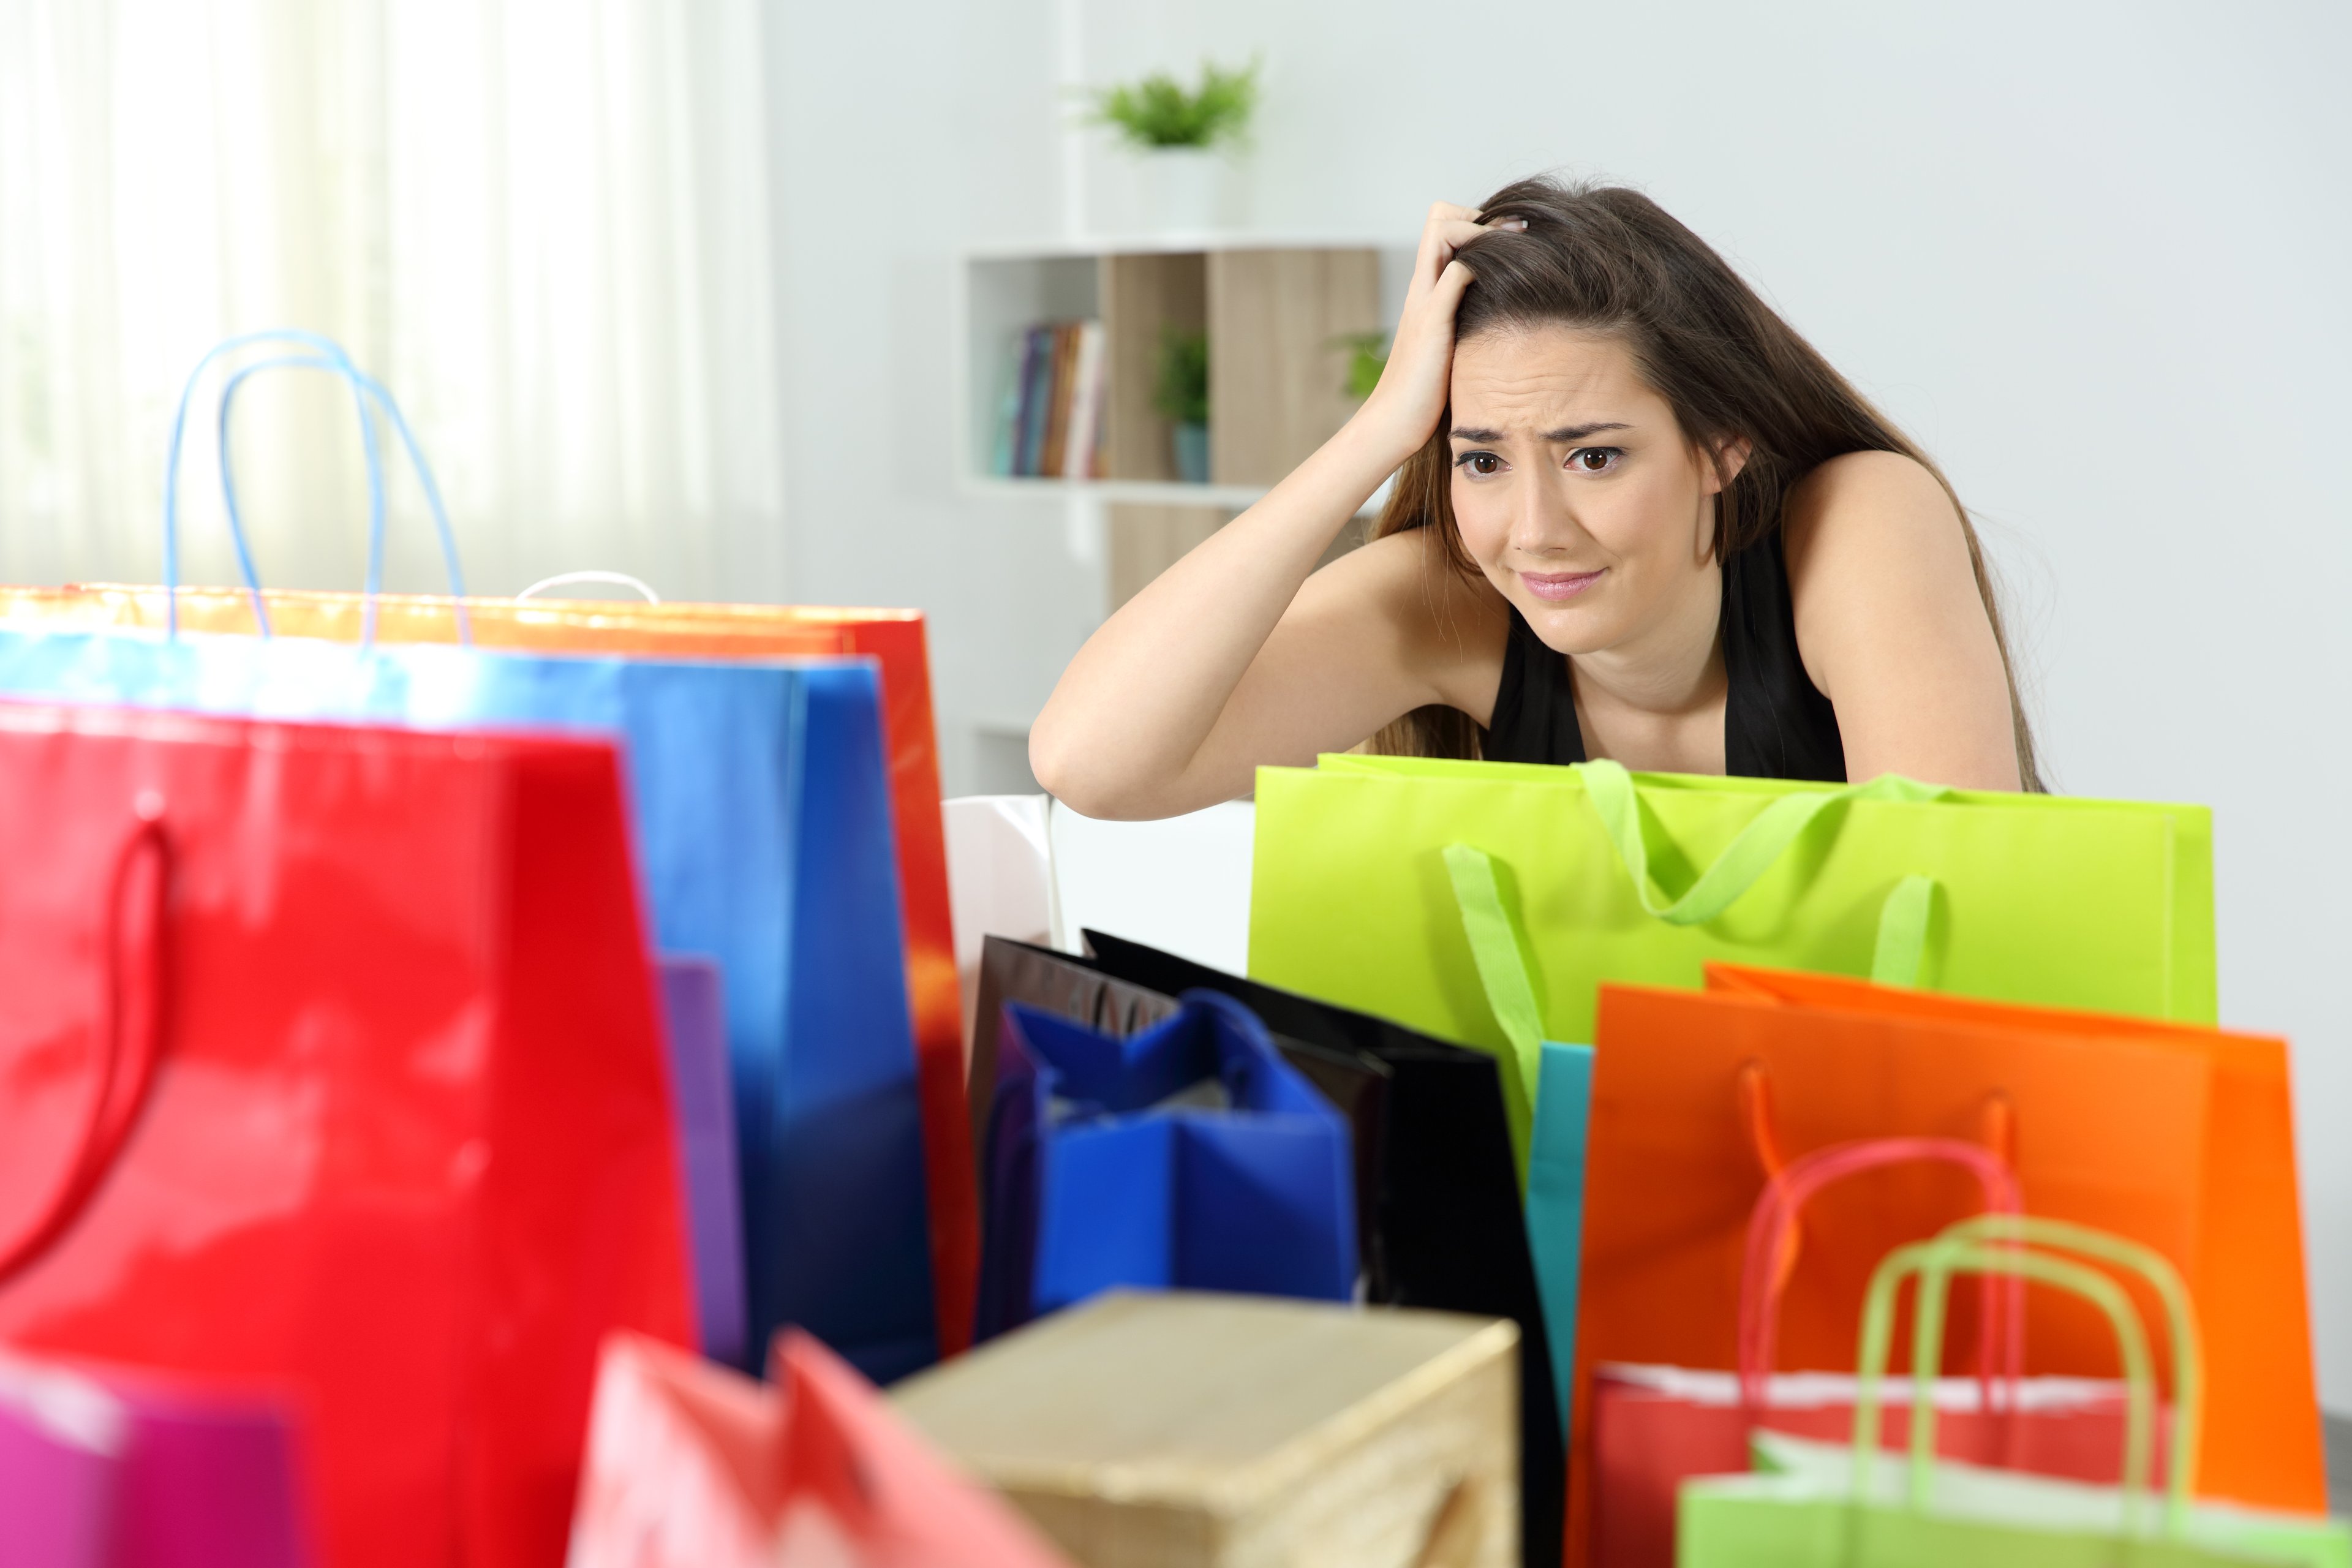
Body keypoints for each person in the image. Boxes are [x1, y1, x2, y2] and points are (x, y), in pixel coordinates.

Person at [1031, 176, 2037, 820]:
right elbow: (1092, 764)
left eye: (1593, 458)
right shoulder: (1454, 595)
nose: (1535, 534)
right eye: (1482, 461)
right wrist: (1379, 433)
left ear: (1723, 448)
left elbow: (1952, 900)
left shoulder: (1858, 519)